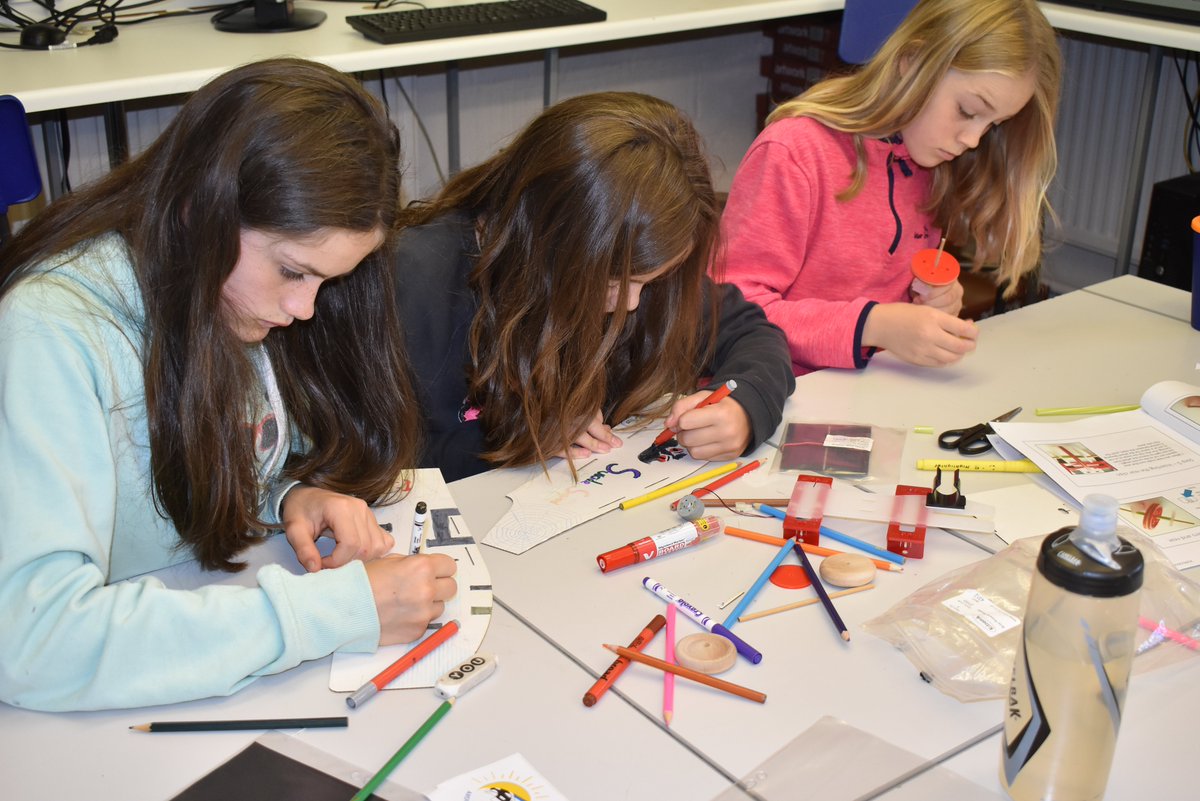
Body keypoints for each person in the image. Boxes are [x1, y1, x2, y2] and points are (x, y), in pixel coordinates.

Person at [0, 58, 456, 712]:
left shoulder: (225, 295)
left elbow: (208, 458)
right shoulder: (52, 331)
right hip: (92, 706)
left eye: (324, 282)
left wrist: (289, 493)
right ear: (199, 209)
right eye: (293, 271)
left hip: (193, 662)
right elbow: (34, 640)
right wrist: (332, 612)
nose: (303, 309)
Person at [393, 92, 795, 481]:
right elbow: (373, 467)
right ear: (551, 239)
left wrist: (746, 403)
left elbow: (751, 333)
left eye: (647, 283)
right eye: (617, 282)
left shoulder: (633, 254)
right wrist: (519, 435)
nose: (633, 302)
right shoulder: (411, 285)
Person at [721, 0, 1061, 375]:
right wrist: (876, 324)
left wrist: (931, 306)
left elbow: (890, 306)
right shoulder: (795, 152)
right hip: (775, 390)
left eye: (993, 125)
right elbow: (735, 313)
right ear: (911, 61)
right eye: (967, 111)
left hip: (870, 387)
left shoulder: (931, 161)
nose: (973, 139)